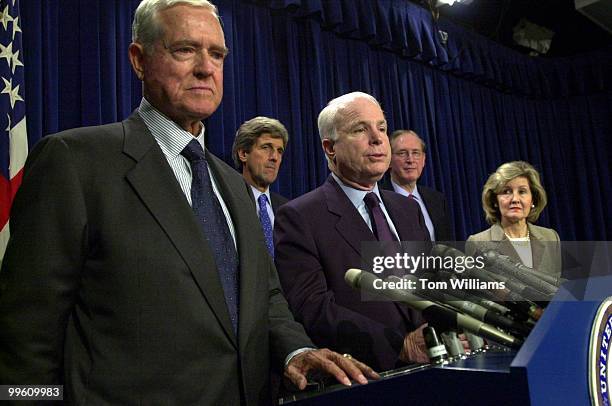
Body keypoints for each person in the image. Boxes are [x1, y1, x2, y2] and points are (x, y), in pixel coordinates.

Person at [0, 1, 378, 404]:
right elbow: (24, 338)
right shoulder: (74, 162)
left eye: (216, 54)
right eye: (185, 50)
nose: (205, 67)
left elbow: (265, 300)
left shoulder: (234, 185)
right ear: (138, 59)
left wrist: (295, 351)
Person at [274, 92, 431, 372]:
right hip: (367, 376)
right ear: (330, 147)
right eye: (361, 129)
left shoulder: (408, 209)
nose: (378, 138)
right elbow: (313, 309)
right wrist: (400, 345)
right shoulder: (300, 216)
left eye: (381, 128)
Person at [466, 161, 561, 277]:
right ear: (495, 201)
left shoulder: (550, 237)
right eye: (506, 191)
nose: (515, 199)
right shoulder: (478, 243)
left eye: (522, 191)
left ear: (533, 200)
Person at [379, 129, 452, 242]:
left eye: (416, 153)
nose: (410, 160)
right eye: (402, 153)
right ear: (388, 160)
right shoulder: (378, 200)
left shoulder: (437, 200)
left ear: (423, 160)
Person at [232, 116, 289, 256]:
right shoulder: (227, 202)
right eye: (266, 147)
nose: (274, 157)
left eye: (279, 151)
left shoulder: (287, 209)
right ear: (243, 154)